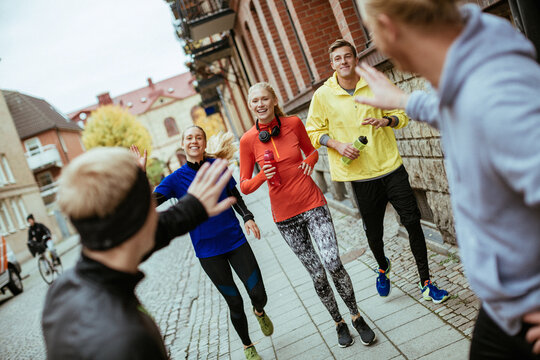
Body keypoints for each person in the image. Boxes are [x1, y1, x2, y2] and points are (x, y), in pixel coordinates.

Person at [353, 0, 540, 358]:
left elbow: (481, 108)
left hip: (526, 307)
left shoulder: (492, 94)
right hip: (504, 302)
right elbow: (458, 108)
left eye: (370, 31)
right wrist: (405, 101)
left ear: (390, 29)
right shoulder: (472, 45)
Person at [42, 147, 236, 360]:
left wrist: (192, 209)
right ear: (141, 218)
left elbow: (139, 231)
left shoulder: (61, 289)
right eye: (151, 204)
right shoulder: (129, 342)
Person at [305, 38, 448, 304]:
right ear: (332, 63)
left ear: (355, 59)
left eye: (348, 56)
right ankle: (383, 266)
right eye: (338, 58)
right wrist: (337, 144)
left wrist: (386, 120)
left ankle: (426, 282)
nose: (344, 62)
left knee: (413, 222)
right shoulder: (323, 95)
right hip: (360, 176)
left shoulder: (375, 83)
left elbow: (401, 114)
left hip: (390, 167)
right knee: (374, 232)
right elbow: (313, 131)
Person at [239, 82, 376, 348]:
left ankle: (357, 316)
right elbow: (244, 184)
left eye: (264, 99)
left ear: (274, 99)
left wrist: (310, 161)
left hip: (312, 204)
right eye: (255, 101)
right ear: (249, 105)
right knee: (317, 274)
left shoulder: (292, 123)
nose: (260, 104)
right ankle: (338, 322)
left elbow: (311, 151)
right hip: (284, 217)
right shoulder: (247, 140)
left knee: (333, 262)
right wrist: (260, 178)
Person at [148, 127, 272, 360]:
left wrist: (248, 217)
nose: (194, 141)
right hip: (207, 252)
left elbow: (234, 195)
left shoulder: (218, 168)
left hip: (235, 241)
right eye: (189, 138)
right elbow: (150, 203)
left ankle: (259, 311)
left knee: (259, 293)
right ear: (182, 145)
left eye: (198, 137)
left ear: (204, 143)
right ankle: (248, 346)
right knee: (234, 301)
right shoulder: (175, 179)